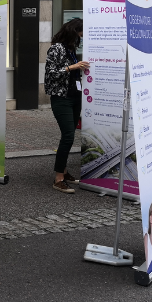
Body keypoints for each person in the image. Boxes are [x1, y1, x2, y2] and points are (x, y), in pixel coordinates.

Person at [44, 18, 89, 194]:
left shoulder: (70, 49)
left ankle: (63, 170)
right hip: (61, 98)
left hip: (75, 96)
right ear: (73, 31)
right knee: (68, 136)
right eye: (80, 34)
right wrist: (73, 67)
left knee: (69, 136)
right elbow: (51, 74)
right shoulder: (56, 48)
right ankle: (58, 179)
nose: (81, 38)